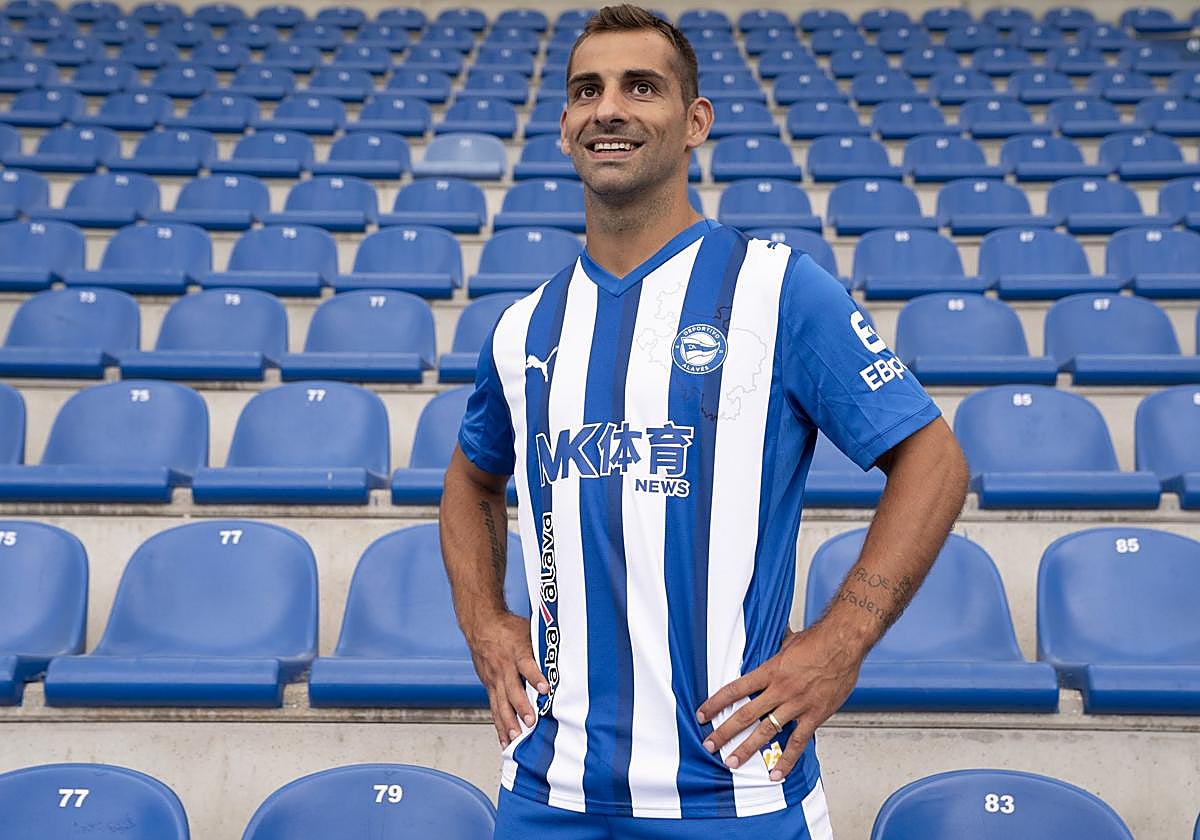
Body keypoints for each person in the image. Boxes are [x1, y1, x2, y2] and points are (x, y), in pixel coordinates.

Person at [439, 6, 970, 837]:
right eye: (587, 90)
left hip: (736, 790)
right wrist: (485, 622)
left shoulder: (777, 289)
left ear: (695, 123)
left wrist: (842, 642)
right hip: (548, 790)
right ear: (566, 124)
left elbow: (932, 459)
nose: (609, 109)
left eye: (640, 87)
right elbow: (472, 478)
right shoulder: (523, 327)